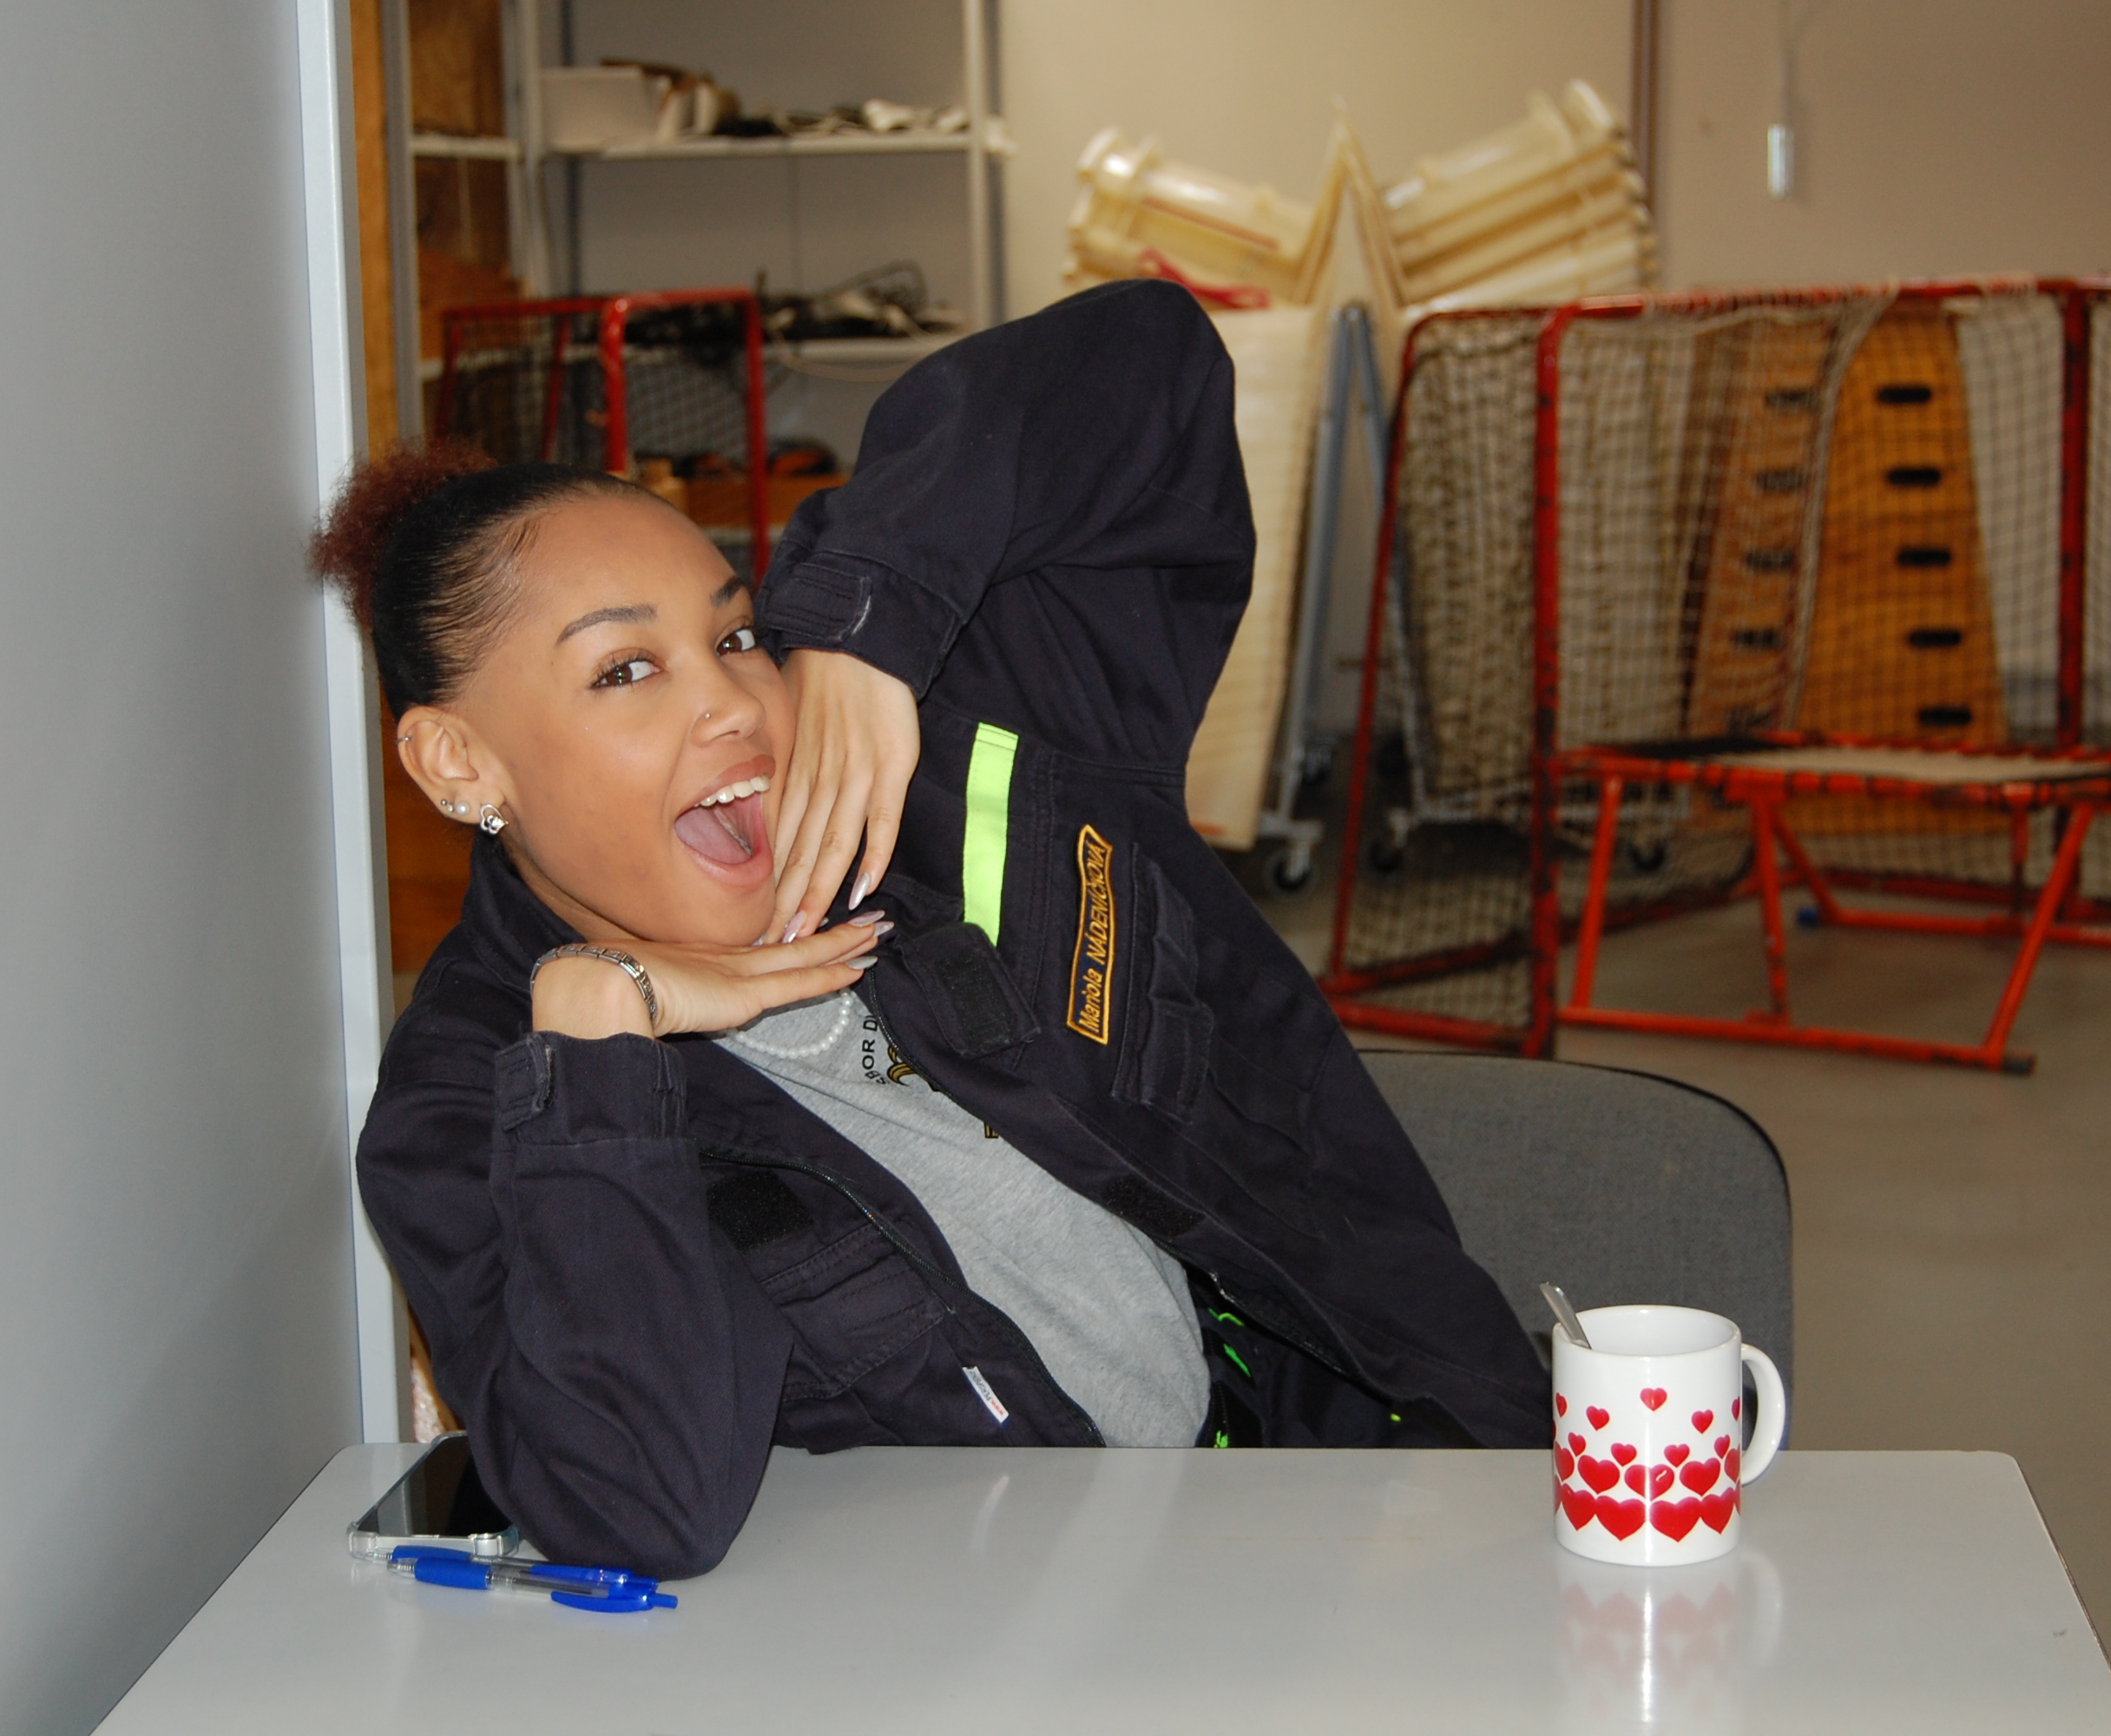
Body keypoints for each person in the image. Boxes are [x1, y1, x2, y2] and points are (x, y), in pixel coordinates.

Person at [322, 279, 1549, 1581]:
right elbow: (636, 1506)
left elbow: (1154, 367)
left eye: (737, 635)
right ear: (459, 760)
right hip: (1014, 1630)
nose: (737, 702)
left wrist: (867, 622)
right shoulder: (467, 1105)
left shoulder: (942, 761)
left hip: (1383, 1485)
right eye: (627, 670)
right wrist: (598, 1041)